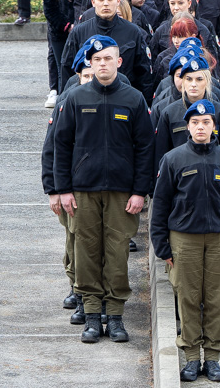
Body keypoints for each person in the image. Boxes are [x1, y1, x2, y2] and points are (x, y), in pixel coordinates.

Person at [53, 35, 154, 343]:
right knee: (86, 253)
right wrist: (62, 189)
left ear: (118, 62)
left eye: (108, 59)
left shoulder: (134, 99)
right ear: (90, 64)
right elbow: (61, 144)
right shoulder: (76, 98)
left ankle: (116, 316)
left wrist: (140, 191)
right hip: (83, 190)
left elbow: (145, 148)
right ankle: (93, 316)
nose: (102, 64)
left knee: (116, 253)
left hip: (122, 193)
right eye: (97, 60)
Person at [150, 98, 220, 382]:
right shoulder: (173, 159)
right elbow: (160, 206)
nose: (200, 127)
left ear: (215, 127)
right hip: (184, 240)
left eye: (206, 123)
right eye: (195, 123)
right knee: (189, 299)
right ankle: (192, 357)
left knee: (218, 299)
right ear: (188, 127)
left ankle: (214, 358)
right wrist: (163, 247)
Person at [41, 55, 95, 319]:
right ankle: (76, 286)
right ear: (78, 78)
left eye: (93, 75)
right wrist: (52, 189)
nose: (90, 81)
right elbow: (52, 148)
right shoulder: (67, 102)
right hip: (71, 187)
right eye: (85, 76)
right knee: (74, 240)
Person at [61, 0, 153, 101]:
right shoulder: (79, 32)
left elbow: (144, 74)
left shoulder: (133, 32)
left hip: (123, 99)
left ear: (118, 1)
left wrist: (142, 105)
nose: (105, 3)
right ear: (93, 2)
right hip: (86, 100)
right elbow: (67, 70)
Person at [44, 0, 86, 105]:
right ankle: (62, 98)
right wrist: (66, 26)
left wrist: (78, 24)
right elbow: (49, 7)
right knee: (62, 64)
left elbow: (85, 3)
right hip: (59, 31)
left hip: (80, 29)